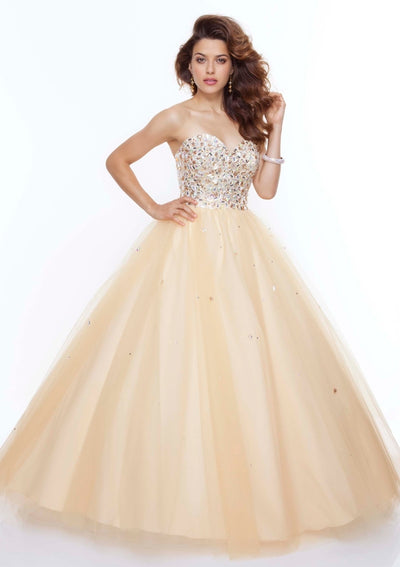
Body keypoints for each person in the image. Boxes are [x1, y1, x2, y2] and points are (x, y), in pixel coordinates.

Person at [0, 13, 400, 561]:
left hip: (245, 251)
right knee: (182, 365)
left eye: (220, 60)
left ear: (233, 67)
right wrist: (155, 207)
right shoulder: (176, 117)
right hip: (188, 248)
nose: (210, 69)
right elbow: (118, 159)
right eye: (201, 59)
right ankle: (176, 498)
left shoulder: (245, 118)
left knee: (250, 364)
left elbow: (265, 190)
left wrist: (277, 125)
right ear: (188, 66)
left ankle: (255, 497)